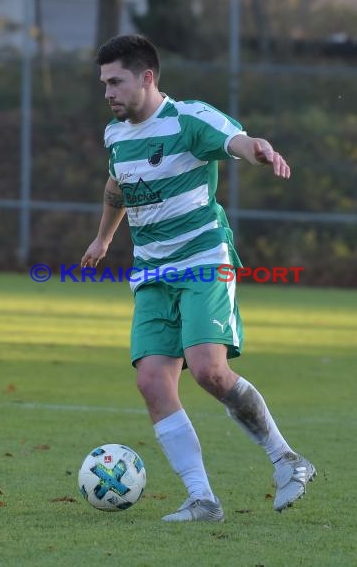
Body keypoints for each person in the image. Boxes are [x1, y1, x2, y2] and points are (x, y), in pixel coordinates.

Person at [81, 34, 316, 522]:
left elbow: (237, 143)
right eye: (104, 83)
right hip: (150, 270)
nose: (108, 92)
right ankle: (202, 500)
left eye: (116, 81)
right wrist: (103, 239)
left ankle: (288, 461)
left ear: (147, 77)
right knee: (151, 380)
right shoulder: (116, 134)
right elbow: (116, 184)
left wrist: (260, 150)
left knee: (208, 369)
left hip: (203, 258)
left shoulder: (190, 119)